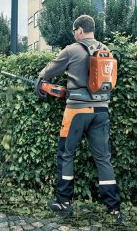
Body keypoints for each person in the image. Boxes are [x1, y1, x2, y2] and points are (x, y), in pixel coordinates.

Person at [37, 15, 124, 225]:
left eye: (74, 31)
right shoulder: (106, 50)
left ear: (80, 30)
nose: (74, 34)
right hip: (102, 111)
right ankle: (114, 208)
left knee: (66, 154)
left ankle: (64, 202)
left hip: (77, 111)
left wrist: (41, 81)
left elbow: (49, 70)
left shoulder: (72, 49)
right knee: (103, 158)